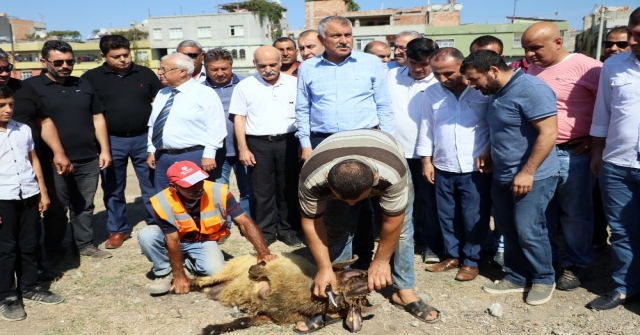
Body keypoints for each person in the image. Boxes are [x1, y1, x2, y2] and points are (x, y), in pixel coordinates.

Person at [295, 129, 440, 333]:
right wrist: (324, 267)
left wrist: (380, 262)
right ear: (328, 178)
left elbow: (393, 221)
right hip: (331, 161)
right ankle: (340, 298)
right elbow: (312, 222)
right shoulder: (312, 177)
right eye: (344, 199)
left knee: (404, 232)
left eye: (358, 198)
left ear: (374, 178)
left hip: (385, 156)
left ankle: (404, 291)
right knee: (338, 230)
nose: (352, 203)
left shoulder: (392, 173)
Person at [462, 50, 559, 305]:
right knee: (507, 228)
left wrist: (527, 172)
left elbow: (548, 133)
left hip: (533, 176)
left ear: (493, 71)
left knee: (529, 229)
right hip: (503, 175)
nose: (472, 86)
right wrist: (489, 151)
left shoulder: (531, 89)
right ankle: (516, 277)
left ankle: (543, 278)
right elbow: (506, 128)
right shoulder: (495, 92)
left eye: (475, 80)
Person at [523, 21, 602, 291]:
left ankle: (574, 265)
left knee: (575, 214)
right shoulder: (534, 69)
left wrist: (595, 138)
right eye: (525, 49)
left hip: (573, 153)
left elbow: (611, 102)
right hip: (541, 153)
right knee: (545, 212)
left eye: (535, 48)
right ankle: (550, 261)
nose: (529, 55)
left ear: (558, 42)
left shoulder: (587, 66)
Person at [25, 40, 113, 260]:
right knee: (56, 208)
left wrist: (104, 150)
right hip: (52, 160)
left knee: (84, 205)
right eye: (59, 62)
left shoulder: (82, 84)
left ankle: (84, 244)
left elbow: (98, 117)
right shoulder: (32, 87)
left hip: (87, 158)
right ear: (44, 61)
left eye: (70, 61)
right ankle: (54, 249)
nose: (65, 65)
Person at [137, 161, 276, 295]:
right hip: (174, 239)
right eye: (190, 185)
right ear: (174, 186)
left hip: (202, 240)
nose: (198, 187)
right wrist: (179, 276)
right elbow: (172, 240)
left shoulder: (218, 191)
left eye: (199, 181)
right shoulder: (163, 201)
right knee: (147, 234)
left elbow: (244, 222)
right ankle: (164, 271)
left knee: (216, 271)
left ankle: (186, 261)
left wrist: (263, 252)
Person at [81, 35, 163, 249]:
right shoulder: (91, 78)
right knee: (113, 187)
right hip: (111, 141)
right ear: (103, 56)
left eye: (126, 54)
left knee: (151, 185)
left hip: (144, 139)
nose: (123, 59)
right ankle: (118, 229)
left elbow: (159, 103)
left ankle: (158, 224)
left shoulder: (145, 74)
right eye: (116, 56)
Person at [418, 47, 491, 281]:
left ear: (462, 66)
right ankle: (452, 255)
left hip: (475, 167)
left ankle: (471, 260)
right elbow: (426, 128)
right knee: (446, 215)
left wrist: (490, 153)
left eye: (448, 73)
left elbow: (494, 125)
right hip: (443, 164)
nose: (443, 79)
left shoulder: (482, 90)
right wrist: (426, 160)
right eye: (437, 74)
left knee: (474, 216)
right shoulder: (431, 93)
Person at [1, 48, 71, 280]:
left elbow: (44, 120)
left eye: (7, 68)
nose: (4, 73)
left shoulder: (24, 88)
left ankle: (34, 273)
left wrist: (58, 152)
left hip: (28, 168)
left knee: (31, 229)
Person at [588, 6, 640, 311]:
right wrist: (597, 151)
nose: (632, 41)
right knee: (621, 231)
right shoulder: (614, 66)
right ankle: (625, 286)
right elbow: (603, 113)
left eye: (639, 36)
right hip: (617, 163)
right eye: (631, 34)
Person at [0, 85, 63, 321]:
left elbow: (34, 160)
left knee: (29, 243)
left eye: (11, 105)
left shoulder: (23, 129)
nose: (8, 110)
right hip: (2, 197)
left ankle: (30, 286)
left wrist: (43, 192)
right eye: (2, 106)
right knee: (6, 248)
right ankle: (6, 295)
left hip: (27, 193)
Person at [229, 46, 301, 247]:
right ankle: (266, 231)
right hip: (258, 143)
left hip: (289, 141)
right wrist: (243, 148)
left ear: (280, 63)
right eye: (262, 65)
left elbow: (304, 114)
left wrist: (303, 143)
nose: (268, 69)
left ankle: (288, 230)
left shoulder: (295, 84)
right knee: (262, 190)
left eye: (272, 64)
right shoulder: (245, 86)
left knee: (289, 187)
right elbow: (239, 118)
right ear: (255, 65)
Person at [296, 15, 393, 160]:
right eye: (336, 36)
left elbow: (384, 105)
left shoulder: (371, 62)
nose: (344, 41)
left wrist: (388, 141)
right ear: (321, 40)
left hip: (365, 139)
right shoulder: (307, 67)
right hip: (323, 141)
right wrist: (305, 145)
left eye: (348, 35)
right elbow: (302, 108)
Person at [386, 38, 441, 264]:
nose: (418, 69)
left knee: (430, 202)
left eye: (425, 64)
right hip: (396, 152)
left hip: (429, 155)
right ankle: (399, 243)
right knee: (399, 202)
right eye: (413, 63)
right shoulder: (391, 76)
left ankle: (432, 244)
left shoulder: (441, 81)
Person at [146, 53, 226, 192]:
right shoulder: (162, 93)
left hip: (192, 156)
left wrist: (209, 154)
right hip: (162, 156)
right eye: (160, 69)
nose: (159, 72)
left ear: (182, 72)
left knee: (193, 198)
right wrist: (151, 150)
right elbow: (154, 124)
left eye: (164, 69)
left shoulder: (204, 93)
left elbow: (216, 126)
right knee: (166, 198)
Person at [202, 48, 254, 219]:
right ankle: (222, 224)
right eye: (214, 69)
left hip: (245, 148)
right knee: (218, 190)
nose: (220, 73)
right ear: (206, 69)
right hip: (216, 151)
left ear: (231, 66)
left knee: (248, 188)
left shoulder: (247, 85)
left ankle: (246, 222)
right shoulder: (199, 90)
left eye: (224, 68)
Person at [468, 35, 506, 267]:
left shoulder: (515, 86)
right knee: (484, 208)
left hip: (508, 160)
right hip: (484, 157)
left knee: (505, 210)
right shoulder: (477, 86)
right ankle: (489, 244)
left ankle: (503, 247)